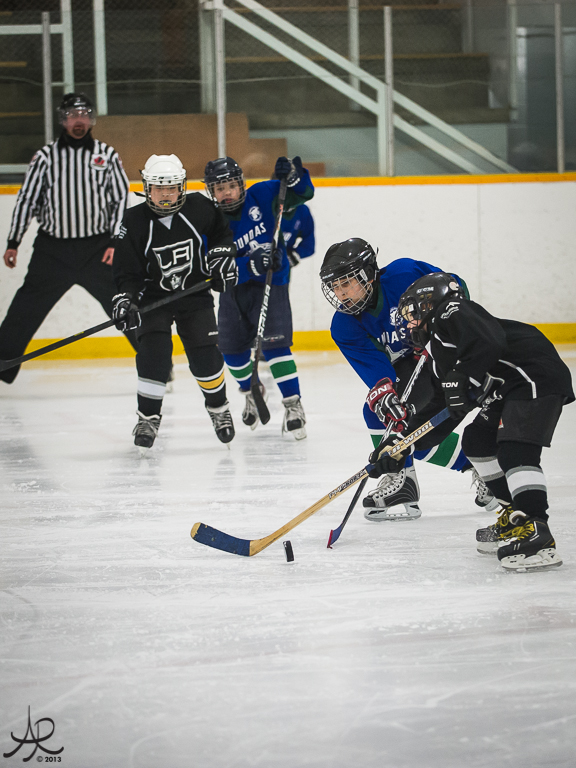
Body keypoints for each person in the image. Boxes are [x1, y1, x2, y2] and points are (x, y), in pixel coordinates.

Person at [378, 272, 574, 571]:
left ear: (430, 304)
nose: (409, 323)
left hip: (533, 375)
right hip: (507, 389)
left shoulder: (452, 311)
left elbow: (488, 340)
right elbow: (440, 409)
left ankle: (536, 530)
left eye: (413, 314)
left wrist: (462, 375)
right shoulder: (439, 356)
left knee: (515, 450)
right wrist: (402, 445)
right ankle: (516, 516)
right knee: (478, 441)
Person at [319, 238, 497, 521]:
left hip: (447, 354)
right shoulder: (344, 326)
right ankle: (404, 478)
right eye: (335, 287)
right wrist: (385, 394)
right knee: (390, 417)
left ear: (368, 275)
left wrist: (444, 335)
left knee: (411, 428)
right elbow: (380, 374)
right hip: (412, 367)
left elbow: (453, 287)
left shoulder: (404, 275)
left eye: (346, 283)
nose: (340, 293)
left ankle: (486, 468)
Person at [0, 92, 134, 384]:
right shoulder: (45, 157)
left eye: (84, 115)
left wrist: (116, 241)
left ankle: (155, 359)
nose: (78, 121)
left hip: (99, 248)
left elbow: (120, 199)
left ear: (91, 119)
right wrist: (13, 241)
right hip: (53, 250)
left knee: (124, 302)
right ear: (63, 120)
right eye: (73, 115)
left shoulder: (106, 155)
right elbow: (27, 200)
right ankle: (2, 365)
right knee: (26, 307)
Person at [112, 154, 238, 449]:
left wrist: (221, 260)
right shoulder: (133, 220)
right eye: (160, 188)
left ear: (181, 187)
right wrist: (126, 299)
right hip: (152, 299)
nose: (166, 194)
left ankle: (219, 409)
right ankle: (148, 418)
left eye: (172, 187)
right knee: (153, 356)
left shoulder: (199, 207)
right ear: (147, 188)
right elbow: (126, 271)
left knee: (206, 357)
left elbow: (221, 234)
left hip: (194, 294)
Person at [203, 155, 314, 440]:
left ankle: (293, 405)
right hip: (233, 289)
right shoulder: (209, 220)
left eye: (231, 185)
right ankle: (251, 391)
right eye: (219, 188)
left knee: (275, 346)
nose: (227, 192)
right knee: (231, 351)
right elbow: (211, 266)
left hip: (271, 283)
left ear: (241, 185)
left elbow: (303, 194)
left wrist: (293, 177)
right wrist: (249, 264)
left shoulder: (263, 194)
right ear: (211, 191)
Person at [281, 203, 315, 270]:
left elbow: (309, 246)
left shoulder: (302, 210)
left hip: (281, 270)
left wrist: (295, 255)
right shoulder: (266, 204)